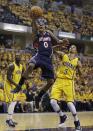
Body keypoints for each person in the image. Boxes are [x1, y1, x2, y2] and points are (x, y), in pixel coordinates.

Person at [12, 18, 68, 110]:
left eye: (42, 25)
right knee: (30, 65)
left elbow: (58, 41)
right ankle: (19, 86)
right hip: (39, 56)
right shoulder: (37, 34)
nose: (41, 26)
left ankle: (38, 97)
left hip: (48, 59)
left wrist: (62, 42)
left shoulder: (49, 33)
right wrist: (34, 19)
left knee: (50, 82)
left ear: (45, 26)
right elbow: (34, 27)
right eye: (39, 25)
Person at [50, 45, 84, 131]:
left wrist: (81, 82)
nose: (72, 47)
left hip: (69, 82)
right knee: (52, 101)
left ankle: (77, 123)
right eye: (71, 46)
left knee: (69, 103)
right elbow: (52, 50)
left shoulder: (77, 61)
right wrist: (59, 44)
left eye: (74, 47)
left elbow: (81, 74)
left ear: (76, 51)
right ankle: (62, 116)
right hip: (59, 80)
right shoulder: (63, 55)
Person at [5, 53, 26, 127]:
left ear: (21, 58)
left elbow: (23, 77)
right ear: (14, 58)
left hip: (15, 86)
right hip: (9, 85)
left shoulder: (22, 67)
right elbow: (8, 78)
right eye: (16, 56)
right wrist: (17, 85)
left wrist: (22, 85)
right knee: (13, 101)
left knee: (14, 102)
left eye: (19, 56)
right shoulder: (11, 66)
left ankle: (10, 118)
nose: (18, 57)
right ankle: (8, 120)